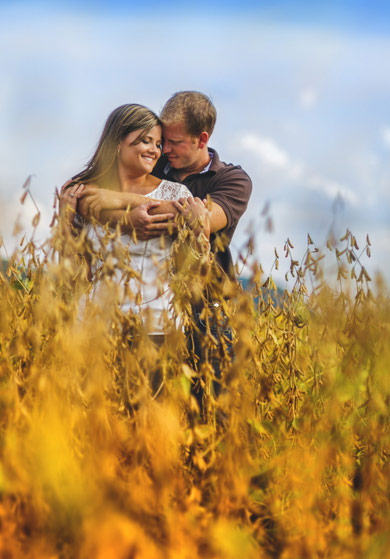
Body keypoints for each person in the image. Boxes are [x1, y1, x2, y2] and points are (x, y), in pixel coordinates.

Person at [66, 92, 252, 421]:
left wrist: (105, 202)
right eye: (157, 141)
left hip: (204, 309)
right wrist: (122, 211)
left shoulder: (231, 180)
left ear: (202, 139)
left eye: (172, 142)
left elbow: (198, 217)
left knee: (207, 411)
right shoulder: (158, 165)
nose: (162, 150)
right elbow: (76, 194)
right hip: (112, 315)